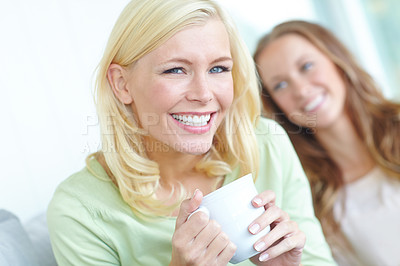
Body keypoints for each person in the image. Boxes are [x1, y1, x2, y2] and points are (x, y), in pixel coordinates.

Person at [47, 2, 336, 265]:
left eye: (219, 68)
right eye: (175, 70)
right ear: (122, 84)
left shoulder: (267, 145)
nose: (203, 94)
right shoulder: (80, 210)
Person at [253, 20, 400, 266]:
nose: (300, 90)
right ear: (276, 105)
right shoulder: (305, 198)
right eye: (280, 85)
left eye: (307, 66)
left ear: (337, 61)